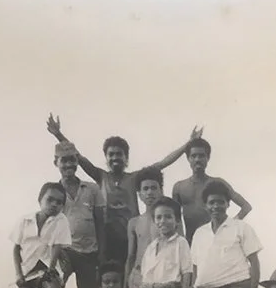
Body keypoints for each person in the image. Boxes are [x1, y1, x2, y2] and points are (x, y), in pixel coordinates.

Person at [46, 115, 201, 278]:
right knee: (108, 280)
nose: (115, 158)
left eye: (119, 154)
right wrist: (58, 134)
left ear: (126, 157)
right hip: (107, 241)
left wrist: (188, 144)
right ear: (106, 157)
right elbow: (78, 157)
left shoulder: (134, 178)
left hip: (131, 238)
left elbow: (162, 163)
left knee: (133, 275)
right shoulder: (101, 176)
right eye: (111, 154)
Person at [189, 178, 263, 288]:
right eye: (211, 202)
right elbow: (195, 266)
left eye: (220, 202)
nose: (216, 206)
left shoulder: (241, 227)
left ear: (228, 204)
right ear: (205, 205)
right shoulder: (200, 233)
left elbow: (255, 264)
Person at [44, 141, 105, 288]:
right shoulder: (53, 192)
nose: (69, 164)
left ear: (77, 161)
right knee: (50, 281)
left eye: (72, 160)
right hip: (64, 250)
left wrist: (102, 251)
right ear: (56, 162)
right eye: (64, 160)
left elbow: (100, 222)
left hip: (89, 251)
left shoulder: (92, 189)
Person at [11, 182, 73, 288]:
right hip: (27, 269)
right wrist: (18, 274)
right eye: (50, 200)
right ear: (40, 199)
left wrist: (51, 267)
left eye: (59, 202)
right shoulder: (25, 220)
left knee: (53, 286)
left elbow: (56, 245)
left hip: (46, 263)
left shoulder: (61, 220)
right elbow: (16, 249)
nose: (54, 205)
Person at [121, 196, 193, 288]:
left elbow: (186, 273)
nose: (163, 221)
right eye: (159, 217)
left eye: (168, 217)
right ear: (154, 221)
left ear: (177, 220)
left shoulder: (180, 243)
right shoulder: (151, 247)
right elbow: (145, 279)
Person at [172, 136, 252, 245]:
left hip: (215, 240)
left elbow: (246, 206)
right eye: (193, 156)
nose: (197, 159)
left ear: (208, 158)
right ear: (188, 158)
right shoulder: (179, 187)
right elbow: (175, 218)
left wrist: (228, 227)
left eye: (201, 156)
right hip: (190, 242)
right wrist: (182, 240)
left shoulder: (218, 183)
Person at [125, 168, 179, 288]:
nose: (149, 192)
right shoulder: (134, 222)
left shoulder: (170, 221)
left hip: (162, 277)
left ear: (161, 190)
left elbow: (179, 250)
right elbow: (130, 257)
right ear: (139, 194)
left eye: (154, 188)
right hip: (138, 277)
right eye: (145, 188)